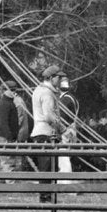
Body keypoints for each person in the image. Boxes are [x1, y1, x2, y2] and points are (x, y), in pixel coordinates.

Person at [29, 65, 63, 197]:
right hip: (47, 133)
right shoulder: (47, 93)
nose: (60, 81)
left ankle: (46, 195)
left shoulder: (38, 90)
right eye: (58, 78)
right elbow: (49, 116)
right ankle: (46, 196)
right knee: (48, 167)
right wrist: (62, 129)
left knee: (45, 167)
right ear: (51, 78)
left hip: (39, 132)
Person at [0, 78, 26, 172]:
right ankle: (10, 184)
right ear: (4, 91)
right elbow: (3, 123)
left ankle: (4, 184)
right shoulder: (4, 104)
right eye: (11, 90)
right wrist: (10, 138)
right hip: (5, 138)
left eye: (15, 90)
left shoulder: (10, 102)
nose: (14, 92)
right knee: (8, 164)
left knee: (10, 163)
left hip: (9, 137)